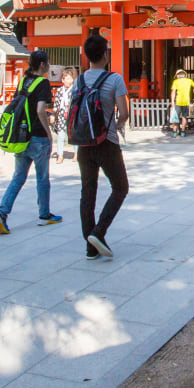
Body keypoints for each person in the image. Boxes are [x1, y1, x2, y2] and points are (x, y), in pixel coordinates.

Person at [72, 33, 130, 260]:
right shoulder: (114, 79)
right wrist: (117, 124)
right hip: (106, 142)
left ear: (87, 56)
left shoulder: (78, 80)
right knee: (120, 187)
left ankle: (90, 246)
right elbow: (123, 112)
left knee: (88, 192)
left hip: (83, 143)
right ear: (105, 54)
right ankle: (99, 232)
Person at [0, 50, 62, 234]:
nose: (48, 66)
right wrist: (48, 132)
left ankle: (2, 213)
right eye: (47, 63)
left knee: (18, 177)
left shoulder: (23, 81)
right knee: (42, 177)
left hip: (21, 137)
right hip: (38, 136)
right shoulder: (43, 83)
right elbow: (40, 110)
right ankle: (44, 215)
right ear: (41, 64)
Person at [53, 66, 76, 164]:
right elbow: (57, 104)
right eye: (67, 78)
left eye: (71, 78)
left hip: (72, 114)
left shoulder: (74, 90)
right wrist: (53, 114)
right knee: (61, 136)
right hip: (62, 115)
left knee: (74, 136)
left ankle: (76, 154)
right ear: (63, 80)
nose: (69, 81)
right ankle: (60, 155)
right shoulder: (59, 91)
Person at [169, 69, 194, 137]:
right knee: (184, 117)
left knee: (175, 117)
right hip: (186, 102)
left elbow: (173, 92)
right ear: (184, 75)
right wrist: (193, 91)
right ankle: (183, 132)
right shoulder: (189, 81)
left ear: (178, 75)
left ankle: (175, 132)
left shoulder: (175, 82)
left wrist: (172, 102)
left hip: (178, 102)